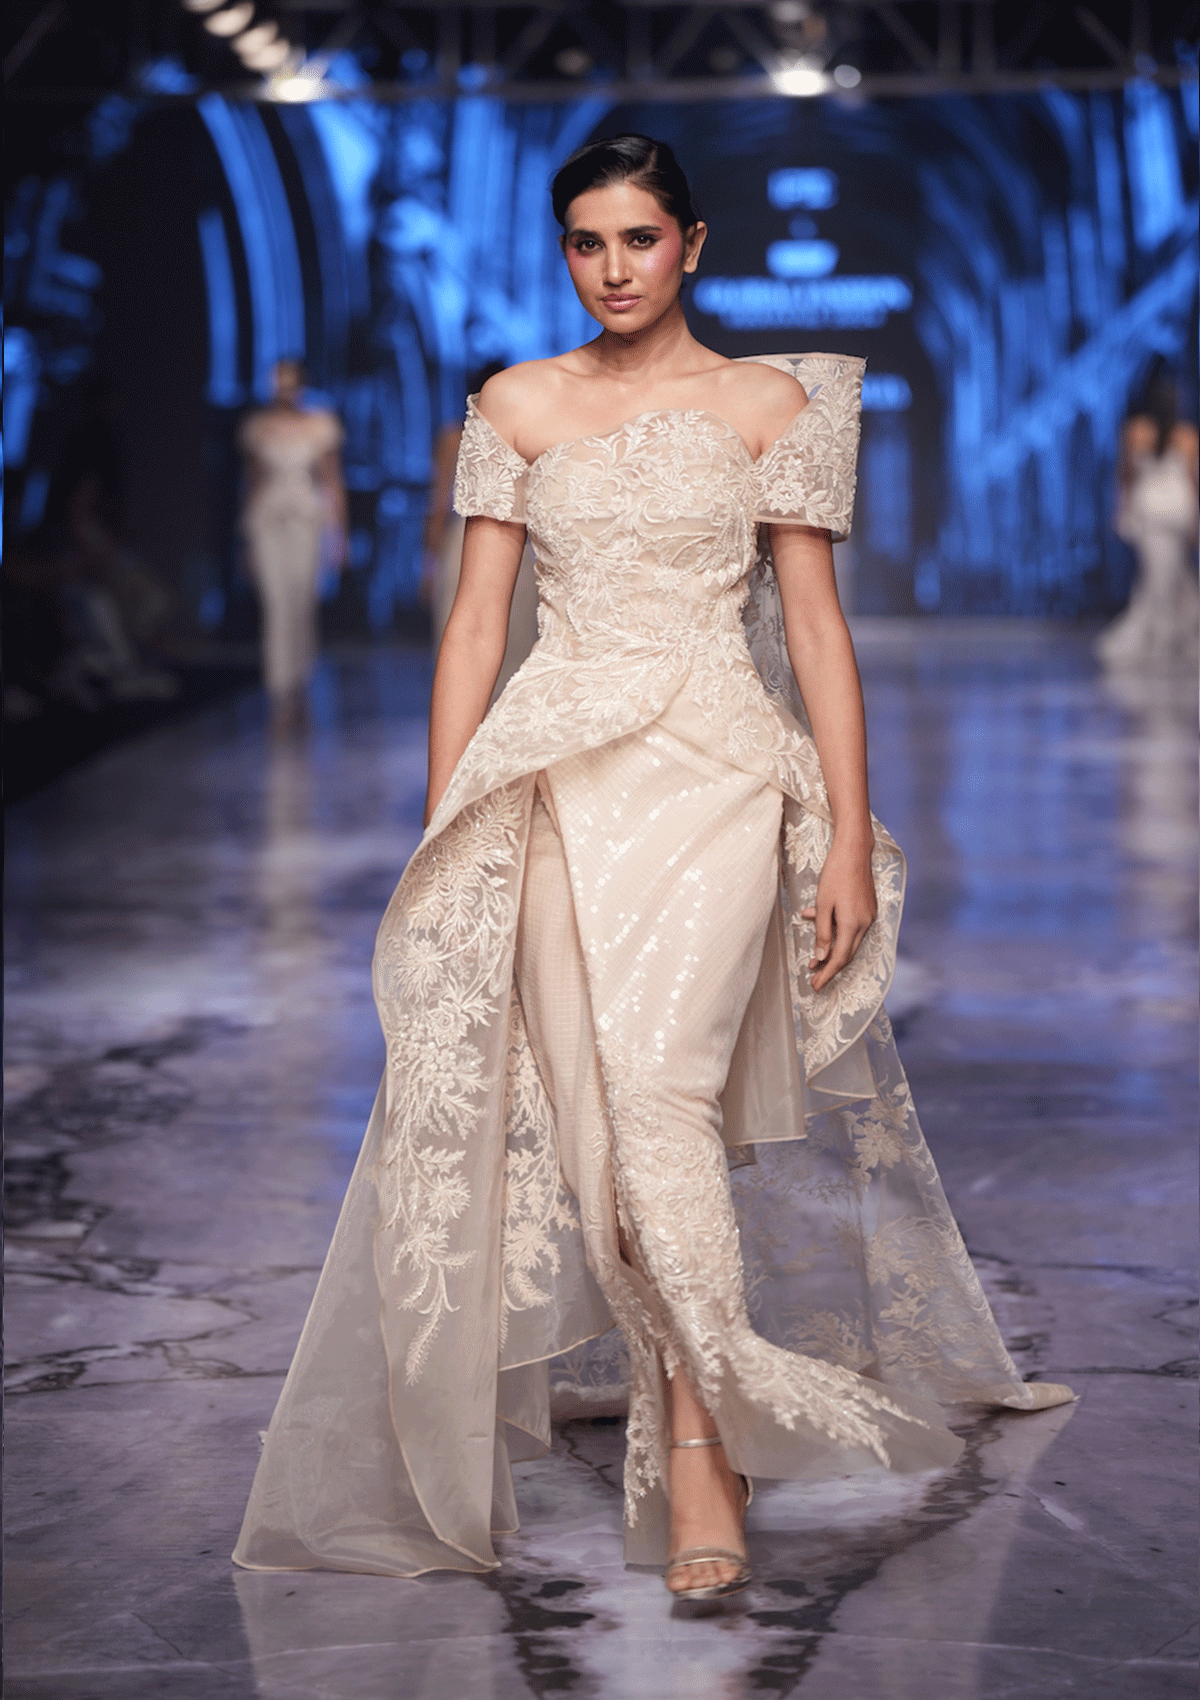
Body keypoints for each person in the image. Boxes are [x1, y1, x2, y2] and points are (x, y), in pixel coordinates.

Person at [233, 135, 1072, 1602]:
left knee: (664, 1097)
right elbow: (475, 628)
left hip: (724, 776)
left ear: (692, 243)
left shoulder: (771, 405)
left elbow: (814, 627)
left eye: (638, 238)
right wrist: (452, 836)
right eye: (585, 242)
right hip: (558, 782)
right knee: (598, 1133)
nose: (612, 268)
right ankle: (709, 1399)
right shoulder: (516, 403)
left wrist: (849, 838)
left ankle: (697, 1443)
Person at [239, 360, 347, 733]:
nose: (283, 389)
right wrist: (244, 539)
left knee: (301, 601)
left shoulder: (320, 424)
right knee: (275, 602)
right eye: (278, 382)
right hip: (267, 520)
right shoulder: (257, 427)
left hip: (308, 520)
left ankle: (299, 683)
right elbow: (252, 481)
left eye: (290, 382)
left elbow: (332, 480)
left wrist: (340, 533)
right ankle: (279, 692)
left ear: (301, 384)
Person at [421, 361, 539, 699]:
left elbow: (438, 502)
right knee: (469, 628)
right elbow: (440, 499)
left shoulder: (527, 434)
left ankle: (499, 713)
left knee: (514, 631)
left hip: (515, 543)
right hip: (469, 539)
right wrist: (430, 560)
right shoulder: (454, 438)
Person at [1097, 392, 1199, 672]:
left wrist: (1123, 511)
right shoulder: (1184, 434)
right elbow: (1191, 481)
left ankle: (1166, 640)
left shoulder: (1139, 430)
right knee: (1162, 579)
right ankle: (1164, 640)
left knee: (1166, 579)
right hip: (1171, 514)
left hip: (1156, 514)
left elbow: (1126, 476)